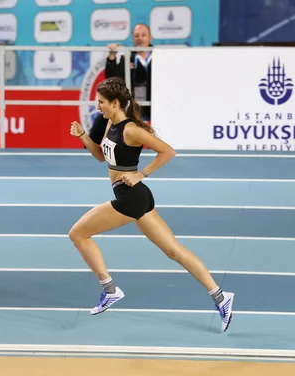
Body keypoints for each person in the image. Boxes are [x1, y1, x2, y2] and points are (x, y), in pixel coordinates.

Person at [68, 77, 235, 332]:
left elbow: (168, 151)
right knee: (174, 251)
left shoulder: (131, 130)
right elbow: (101, 156)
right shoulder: (109, 123)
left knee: (78, 233)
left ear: (115, 102)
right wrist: (82, 135)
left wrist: (141, 173)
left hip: (130, 197)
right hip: (138, 198)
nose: (97, 106)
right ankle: (221, 297)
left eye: (101, 102)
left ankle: (109, 289)